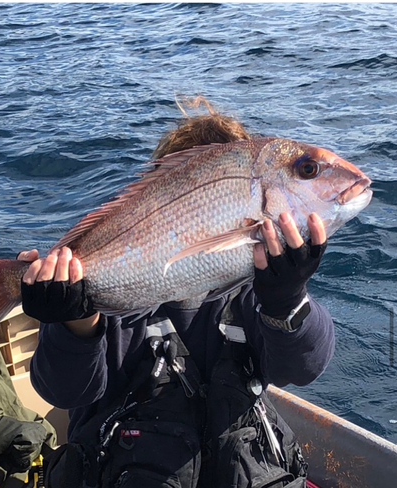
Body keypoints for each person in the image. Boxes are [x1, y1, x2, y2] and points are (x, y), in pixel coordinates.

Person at [17, 102, 335, 488]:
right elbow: (63, 391)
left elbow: (302, 369)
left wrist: (288, 300)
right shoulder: (115, 294)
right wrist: (76, 324)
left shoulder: (260, 287)